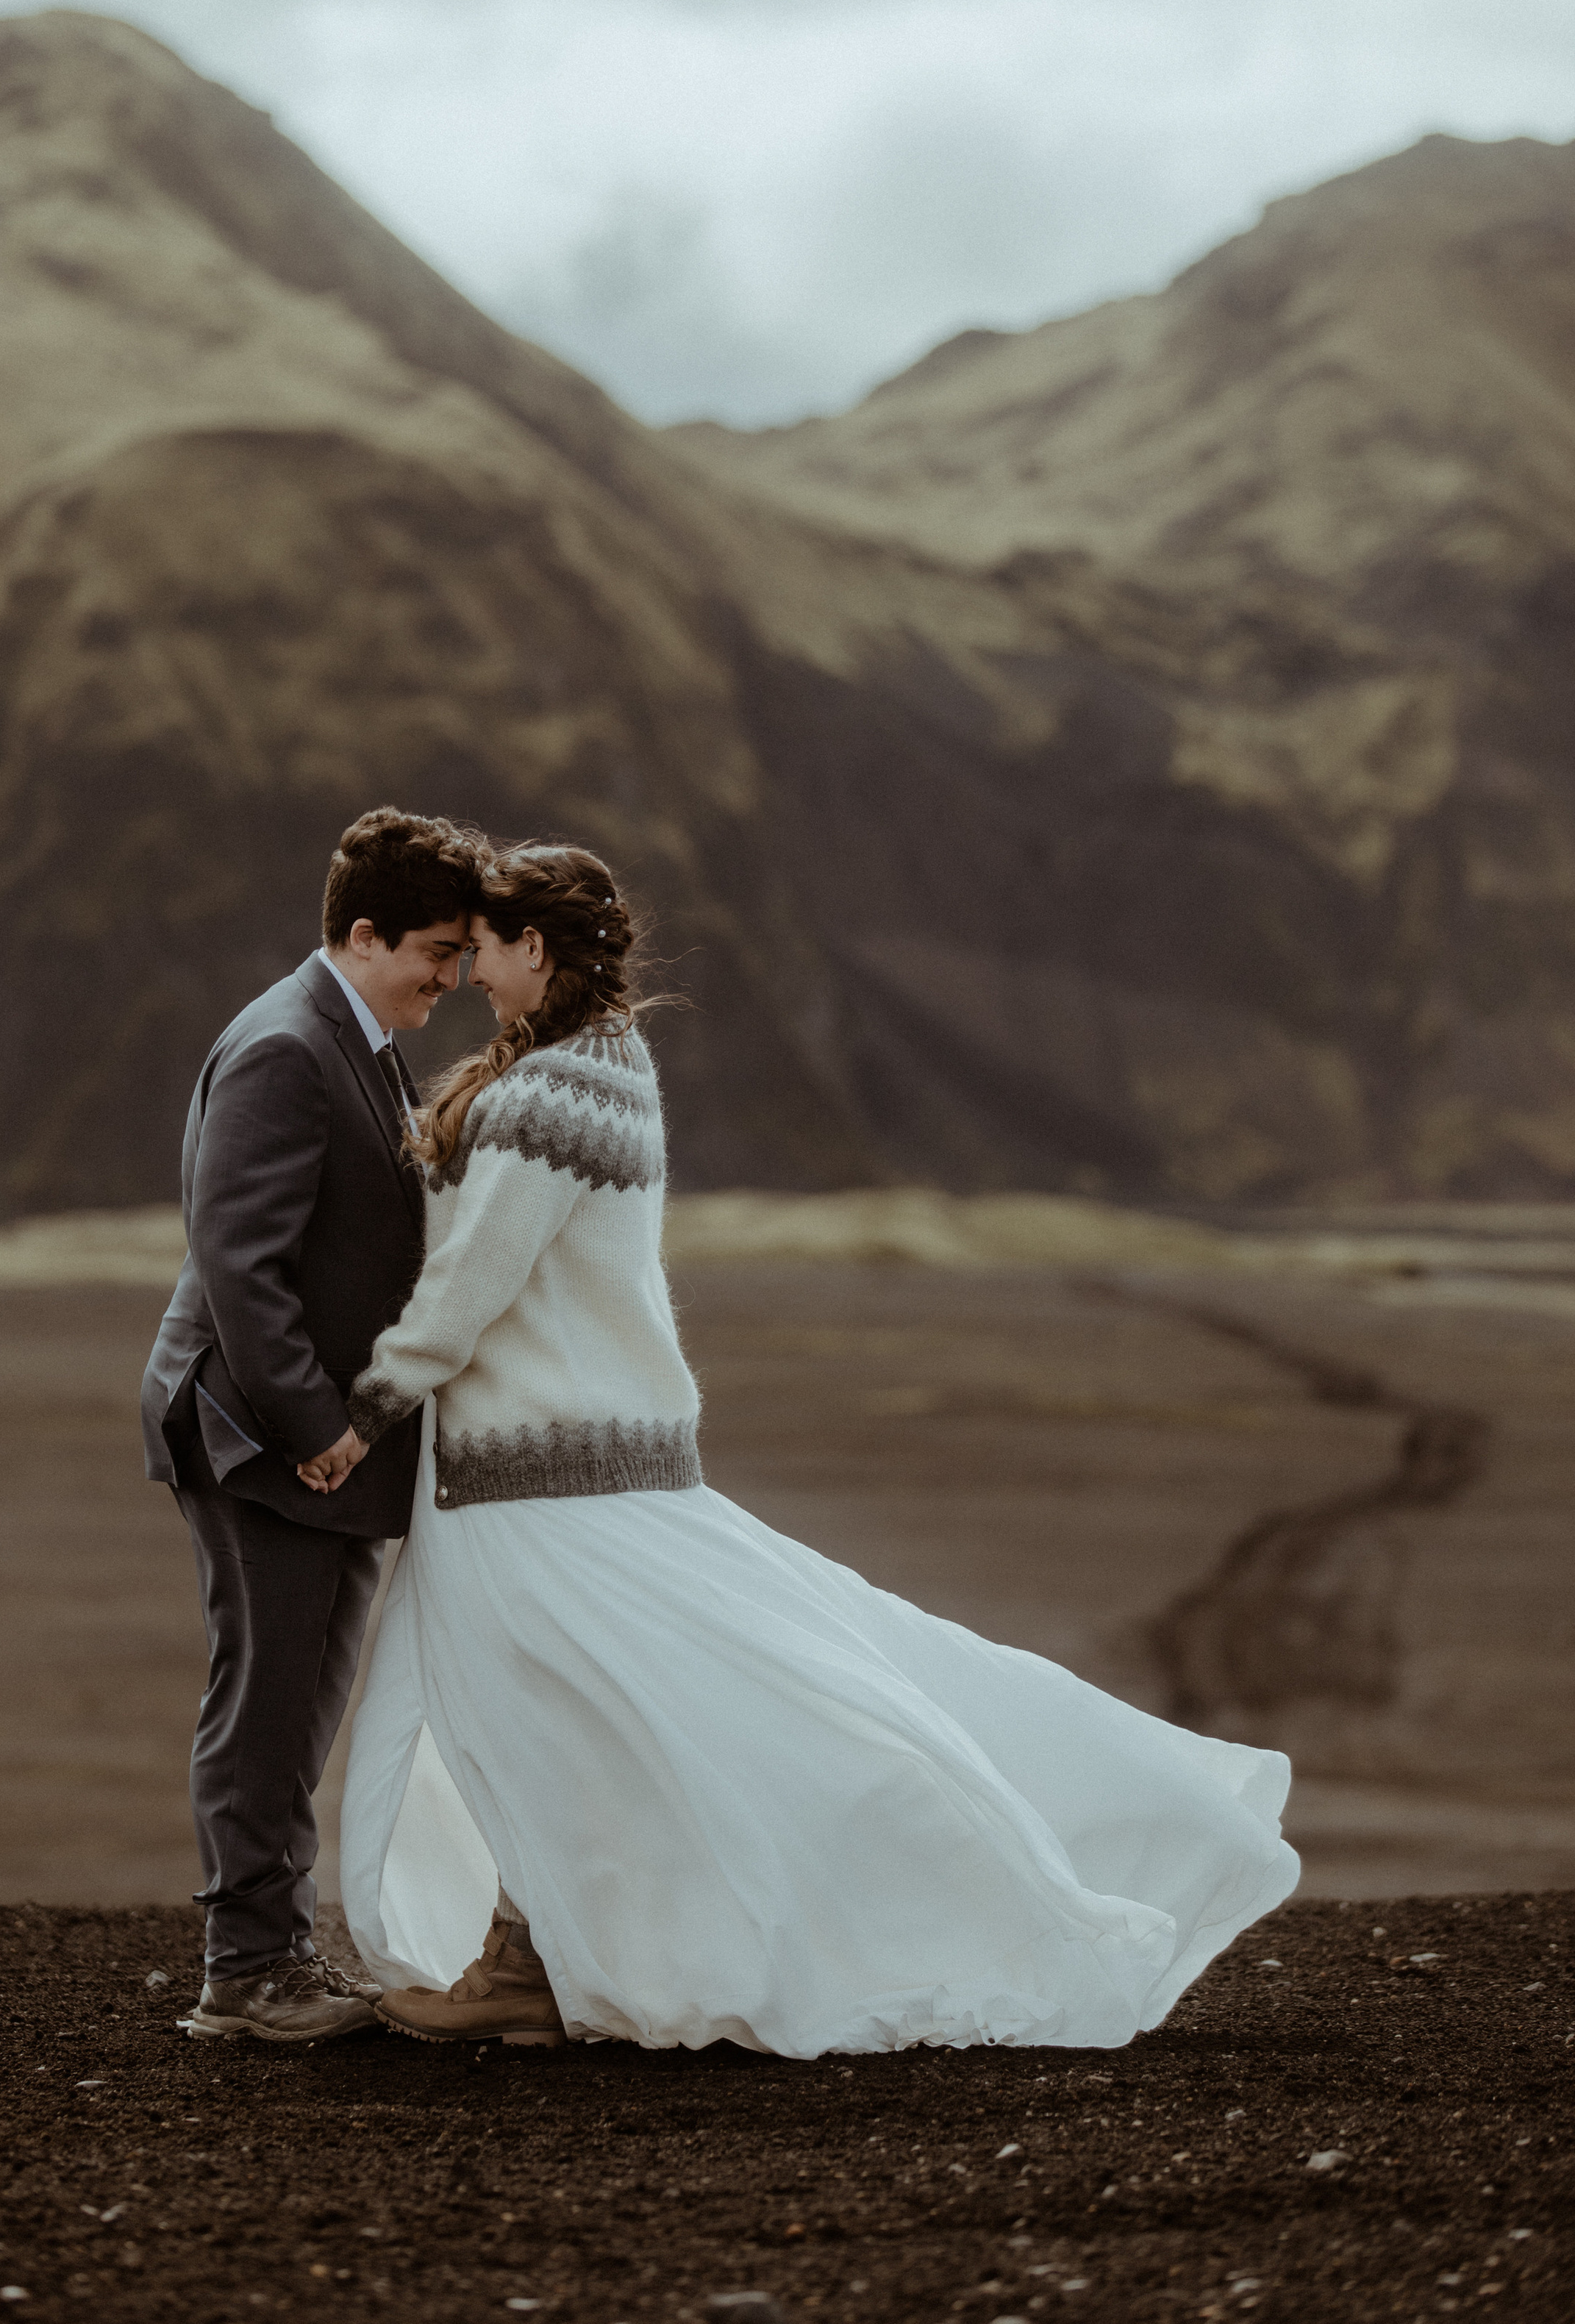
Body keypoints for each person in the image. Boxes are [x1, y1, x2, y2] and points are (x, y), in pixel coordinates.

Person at [324, 843, 1300, 2059]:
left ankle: (530, 1966)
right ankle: (533, 1956)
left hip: (539, 1473)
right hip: (600, 1463)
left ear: (539, 949)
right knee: (637, 1702)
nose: (471, 972)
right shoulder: (613, 1066)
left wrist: (370, 1401)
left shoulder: (549, 1096)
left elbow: (476, 1282)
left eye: (486, 948)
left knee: (549, 1713)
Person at [140, 805, 485, 2042]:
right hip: (260, 1438)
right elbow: (240, 1260)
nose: (452, 979)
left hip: (313, 1446)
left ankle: (271, 1955)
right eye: (437, 953)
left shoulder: (358, 1032)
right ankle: (247, 1976)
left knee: (299, 1703)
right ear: (362, 932)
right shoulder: (289, 1045)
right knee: (269, 1698)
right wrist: (311, 1425)